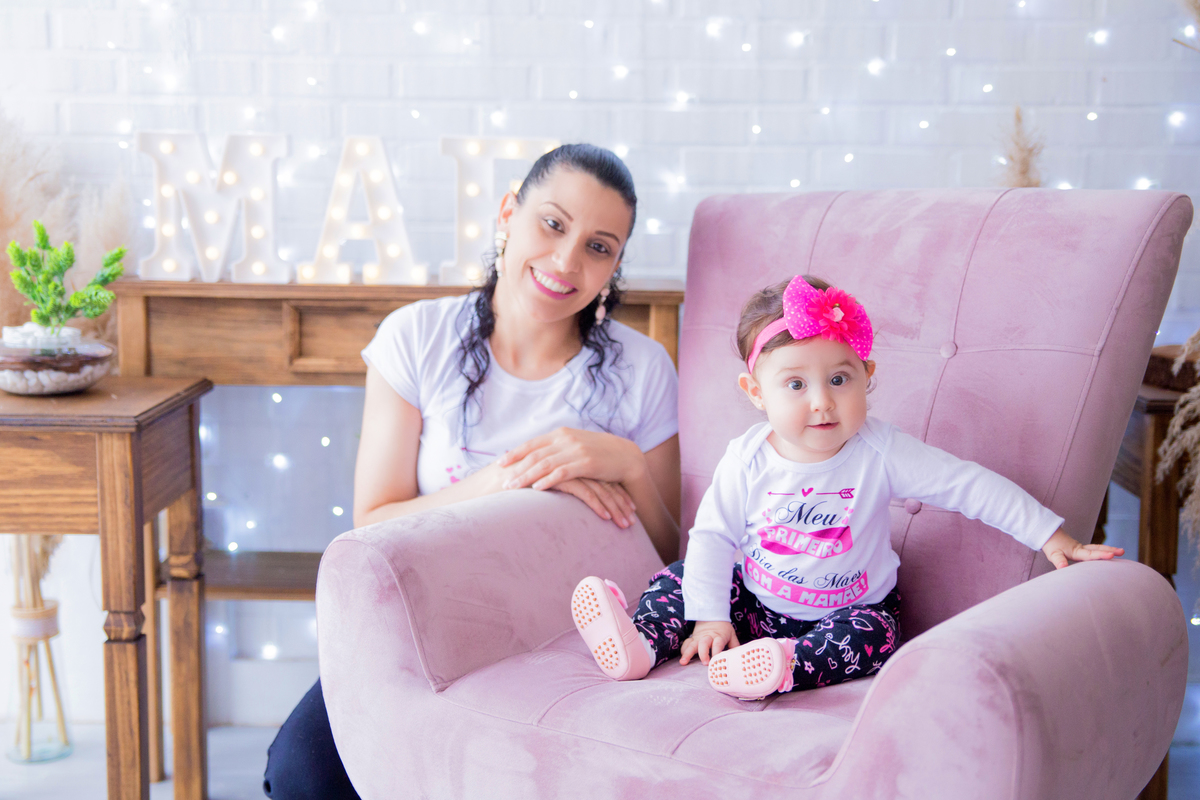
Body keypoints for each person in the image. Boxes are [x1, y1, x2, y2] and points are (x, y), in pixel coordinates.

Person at [263, 144, 681, 799]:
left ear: (615, 265)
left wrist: (626, 464)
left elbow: (670, 552)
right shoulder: (416, 339)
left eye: (599, 247)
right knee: (303, 772)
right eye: (552, 223)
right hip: (424, 626)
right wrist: (504, 484)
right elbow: (372, 521)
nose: (567, 260)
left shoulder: (644, 368)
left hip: (565, 638)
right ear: (508, 213)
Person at [571, 274, 1123, 700]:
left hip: (848, 611)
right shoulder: (746, 458)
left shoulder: (881, 454)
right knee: (686, 578)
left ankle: (783, 666)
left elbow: (967, 485)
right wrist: (713, 614)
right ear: (755, 392)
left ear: (867, 374)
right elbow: (713, 538)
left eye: (840, 378)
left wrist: (1052, 536)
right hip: (757, 604)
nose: (822, 400)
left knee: (875, 638)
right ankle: (641, 644)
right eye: (795, 383)